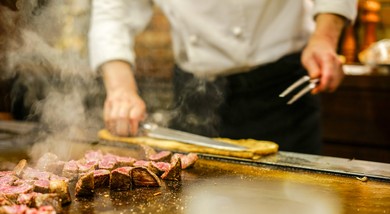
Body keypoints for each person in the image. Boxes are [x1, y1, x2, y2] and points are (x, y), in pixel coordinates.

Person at [88, 0, 357, 154]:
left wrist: (325, 36)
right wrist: (121, 88)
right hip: (194, 90)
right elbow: (113, 10)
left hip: (279, 85)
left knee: (291, 210)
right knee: (191, 213)